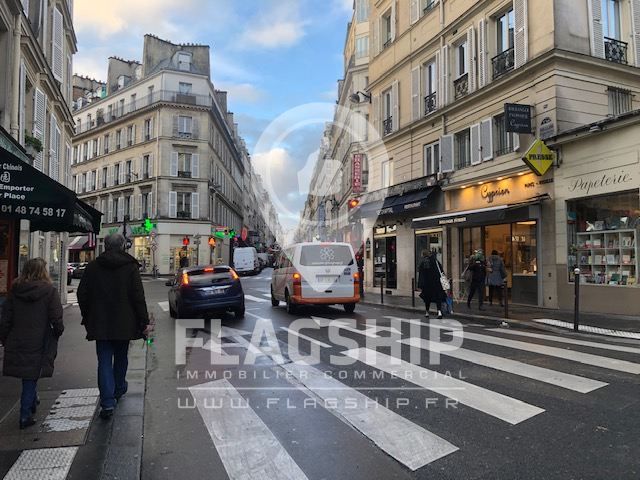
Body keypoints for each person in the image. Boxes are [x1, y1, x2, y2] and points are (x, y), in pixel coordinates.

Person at [78, 233, 150, 419]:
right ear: (123, 246)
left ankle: (107, 402)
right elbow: (138, 297)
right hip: (124, 322)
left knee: (103, 361)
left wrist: (88, 315)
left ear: (106, 246)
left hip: (100, 322)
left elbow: (82, 294)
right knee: (120, 357)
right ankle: (118, 388)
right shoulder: (130, 267)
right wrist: (143, 321)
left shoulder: (93, 267)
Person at [0, 258, 64, 429]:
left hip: (17, 337)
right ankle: (25, 415)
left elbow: (6, 317)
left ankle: (32, 400)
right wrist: (57, 331)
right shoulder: (49, 291)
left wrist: (5, 337)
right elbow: (56, 317)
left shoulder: (15, 290)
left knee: (27, 374)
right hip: (39, 339)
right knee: (30, 376)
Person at [417, 249, 446, 319]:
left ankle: (427, 312)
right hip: (436, 283)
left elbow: (421, 274)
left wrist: (420, 285)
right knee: (438, 298)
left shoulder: (423, 262)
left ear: (423, 255)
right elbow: (441, 271)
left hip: (427, 284)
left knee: (427, 298)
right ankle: (439, 312)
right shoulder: (435, 261)